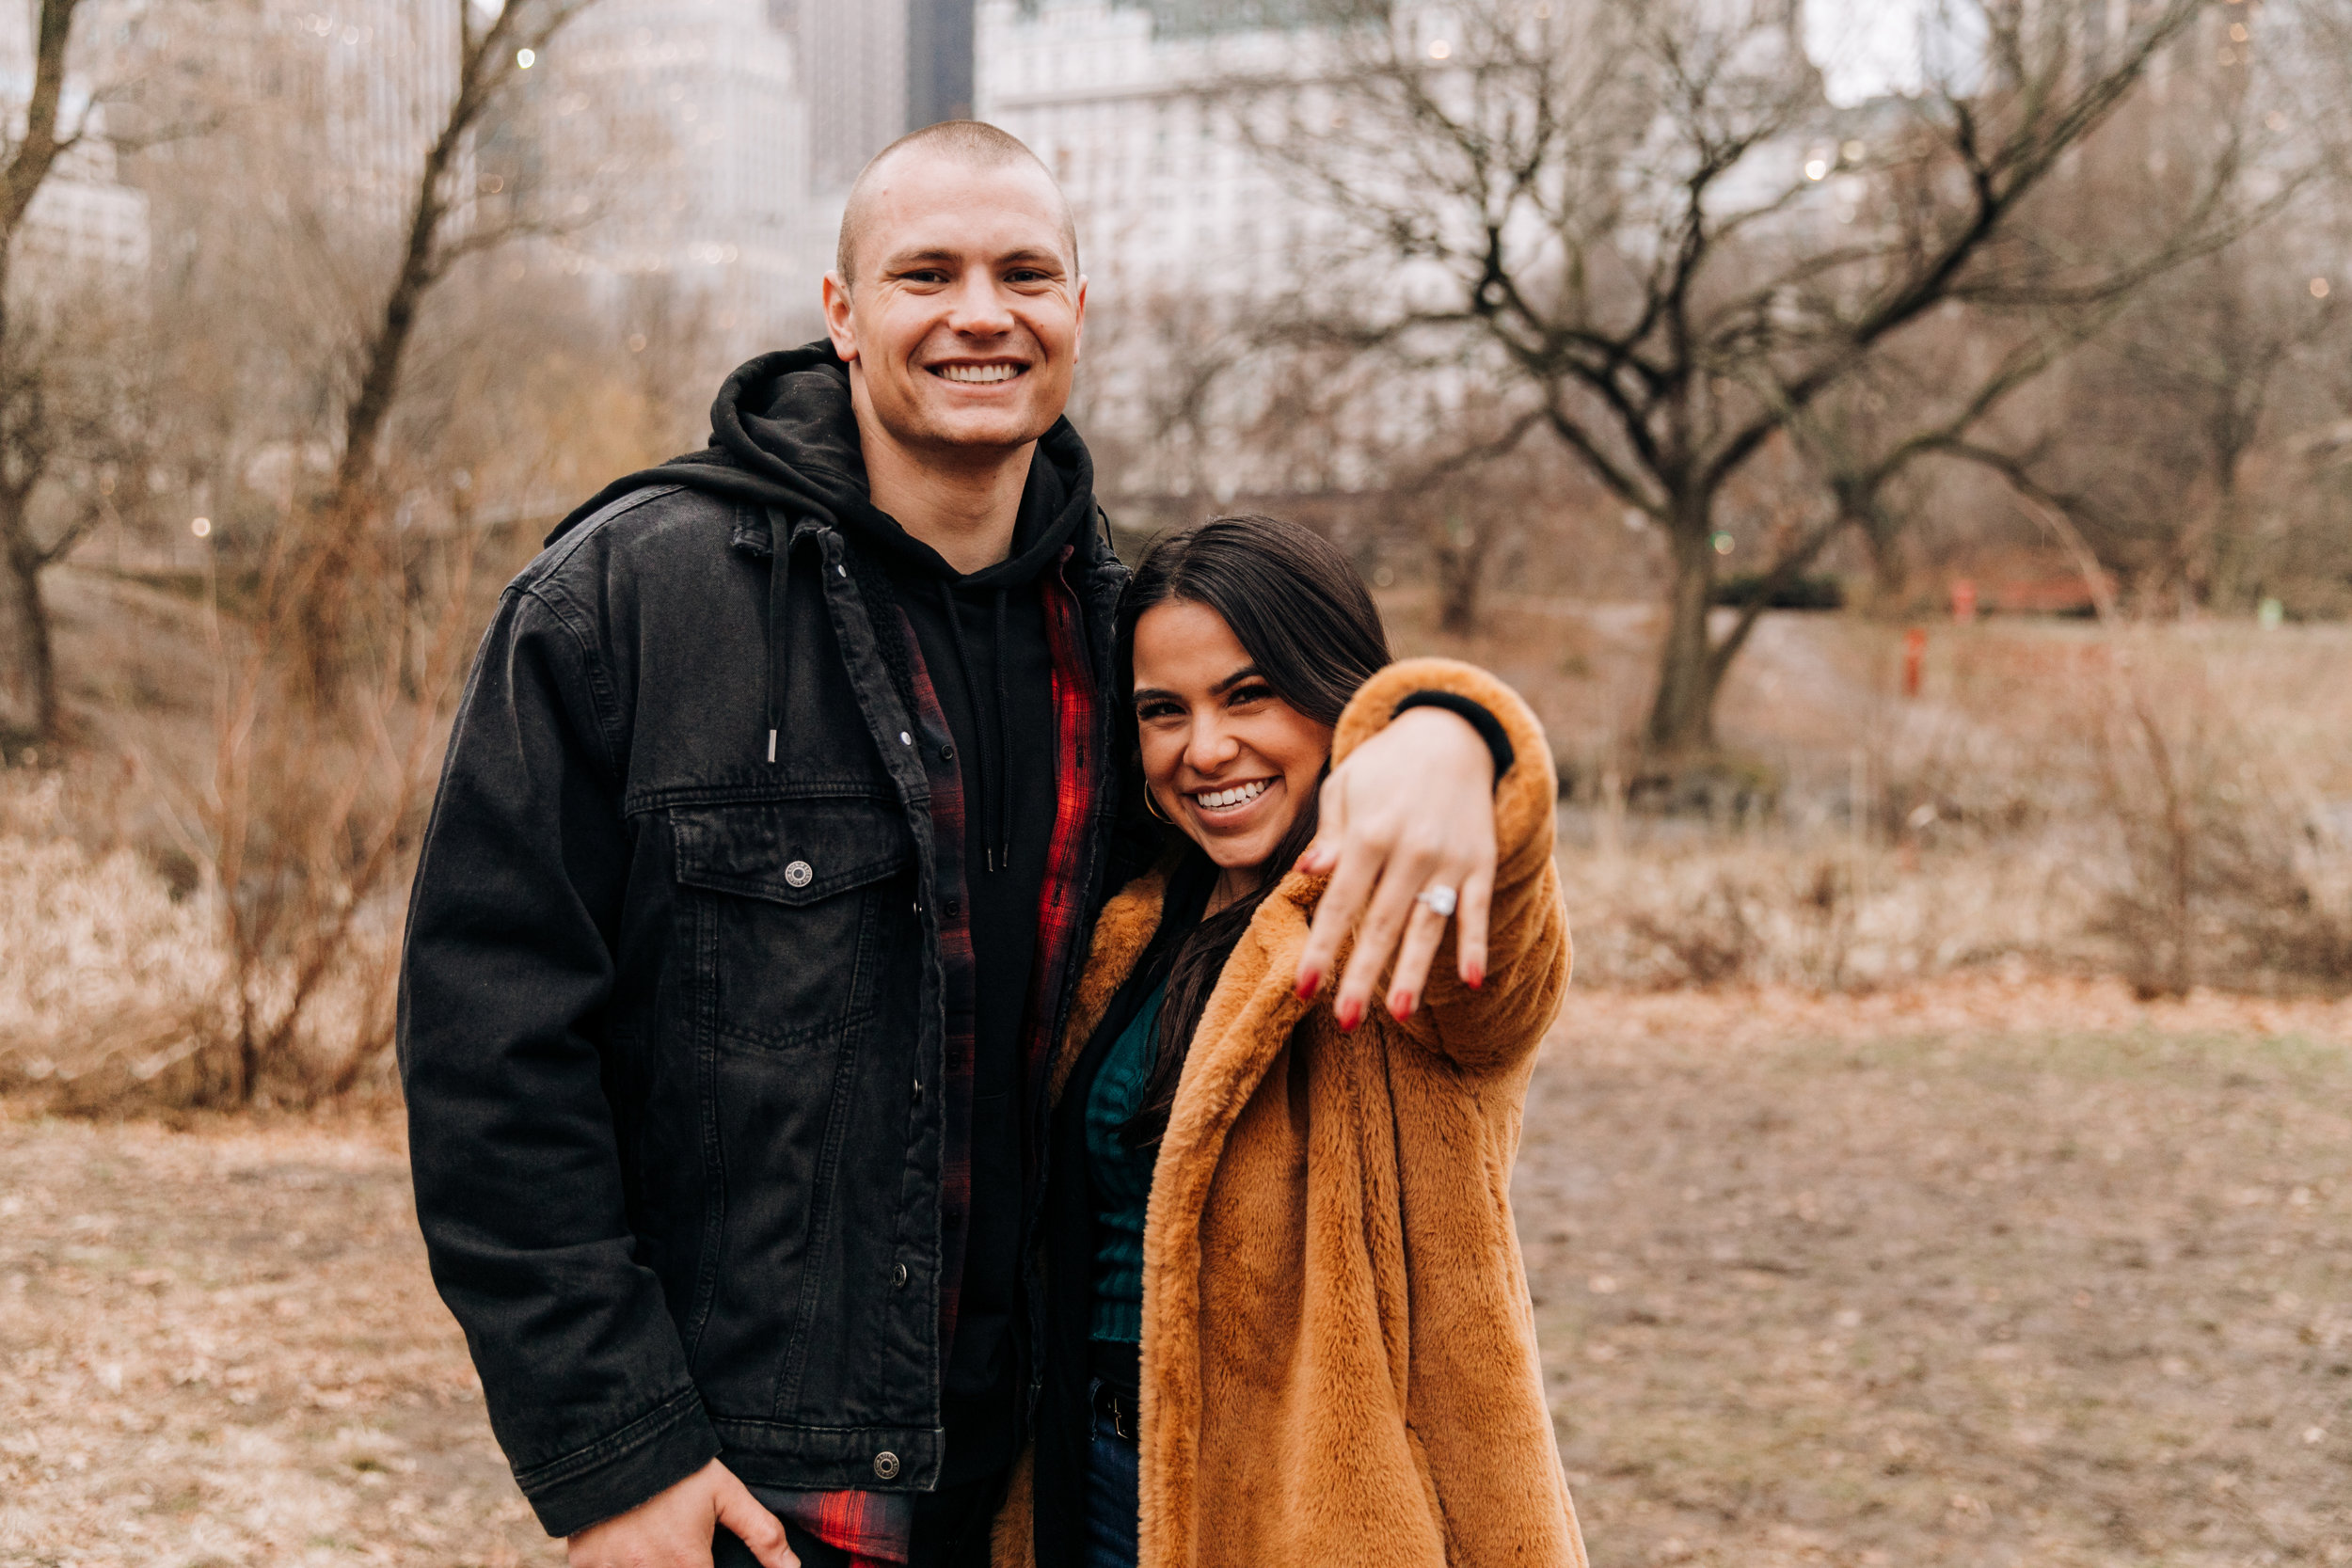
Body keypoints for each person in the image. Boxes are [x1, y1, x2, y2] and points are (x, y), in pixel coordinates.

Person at [397, 123, 1508, 1568]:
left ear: (1077, 313)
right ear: (844, 313)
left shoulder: (1123, 642)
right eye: (927, 272)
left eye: (1024, 272)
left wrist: (1451, 728)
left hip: (1048, 1483)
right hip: (758, 1491)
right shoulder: (626, 602)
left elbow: (1312, 771)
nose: (982, 311)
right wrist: (616, 1451)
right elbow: (490, 1045)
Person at [1003, 515, 1584, 1568]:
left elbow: (1504, 902)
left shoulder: (1400, 917)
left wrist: (1454, 729)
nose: (1205, 747)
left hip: (1319, 1517)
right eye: (1162, 711)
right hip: (1093, 1483)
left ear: (1333, 690)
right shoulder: (1129, 926)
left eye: (1247, 693)